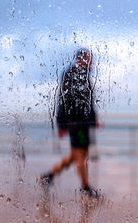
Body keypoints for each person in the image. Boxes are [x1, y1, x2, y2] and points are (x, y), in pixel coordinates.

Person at [39, 48, 99, 198]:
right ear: (80, 59)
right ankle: (85, 188)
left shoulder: (85, 76)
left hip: (85, 123)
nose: (91, 61)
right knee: (80, 155)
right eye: (88, 58)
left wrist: (94, 119)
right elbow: (62, 98)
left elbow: (89, 101)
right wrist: (61, 123)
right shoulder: (71, 74)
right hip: (76, 123)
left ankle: (49, 176)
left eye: (91, 58)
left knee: (77, 155)